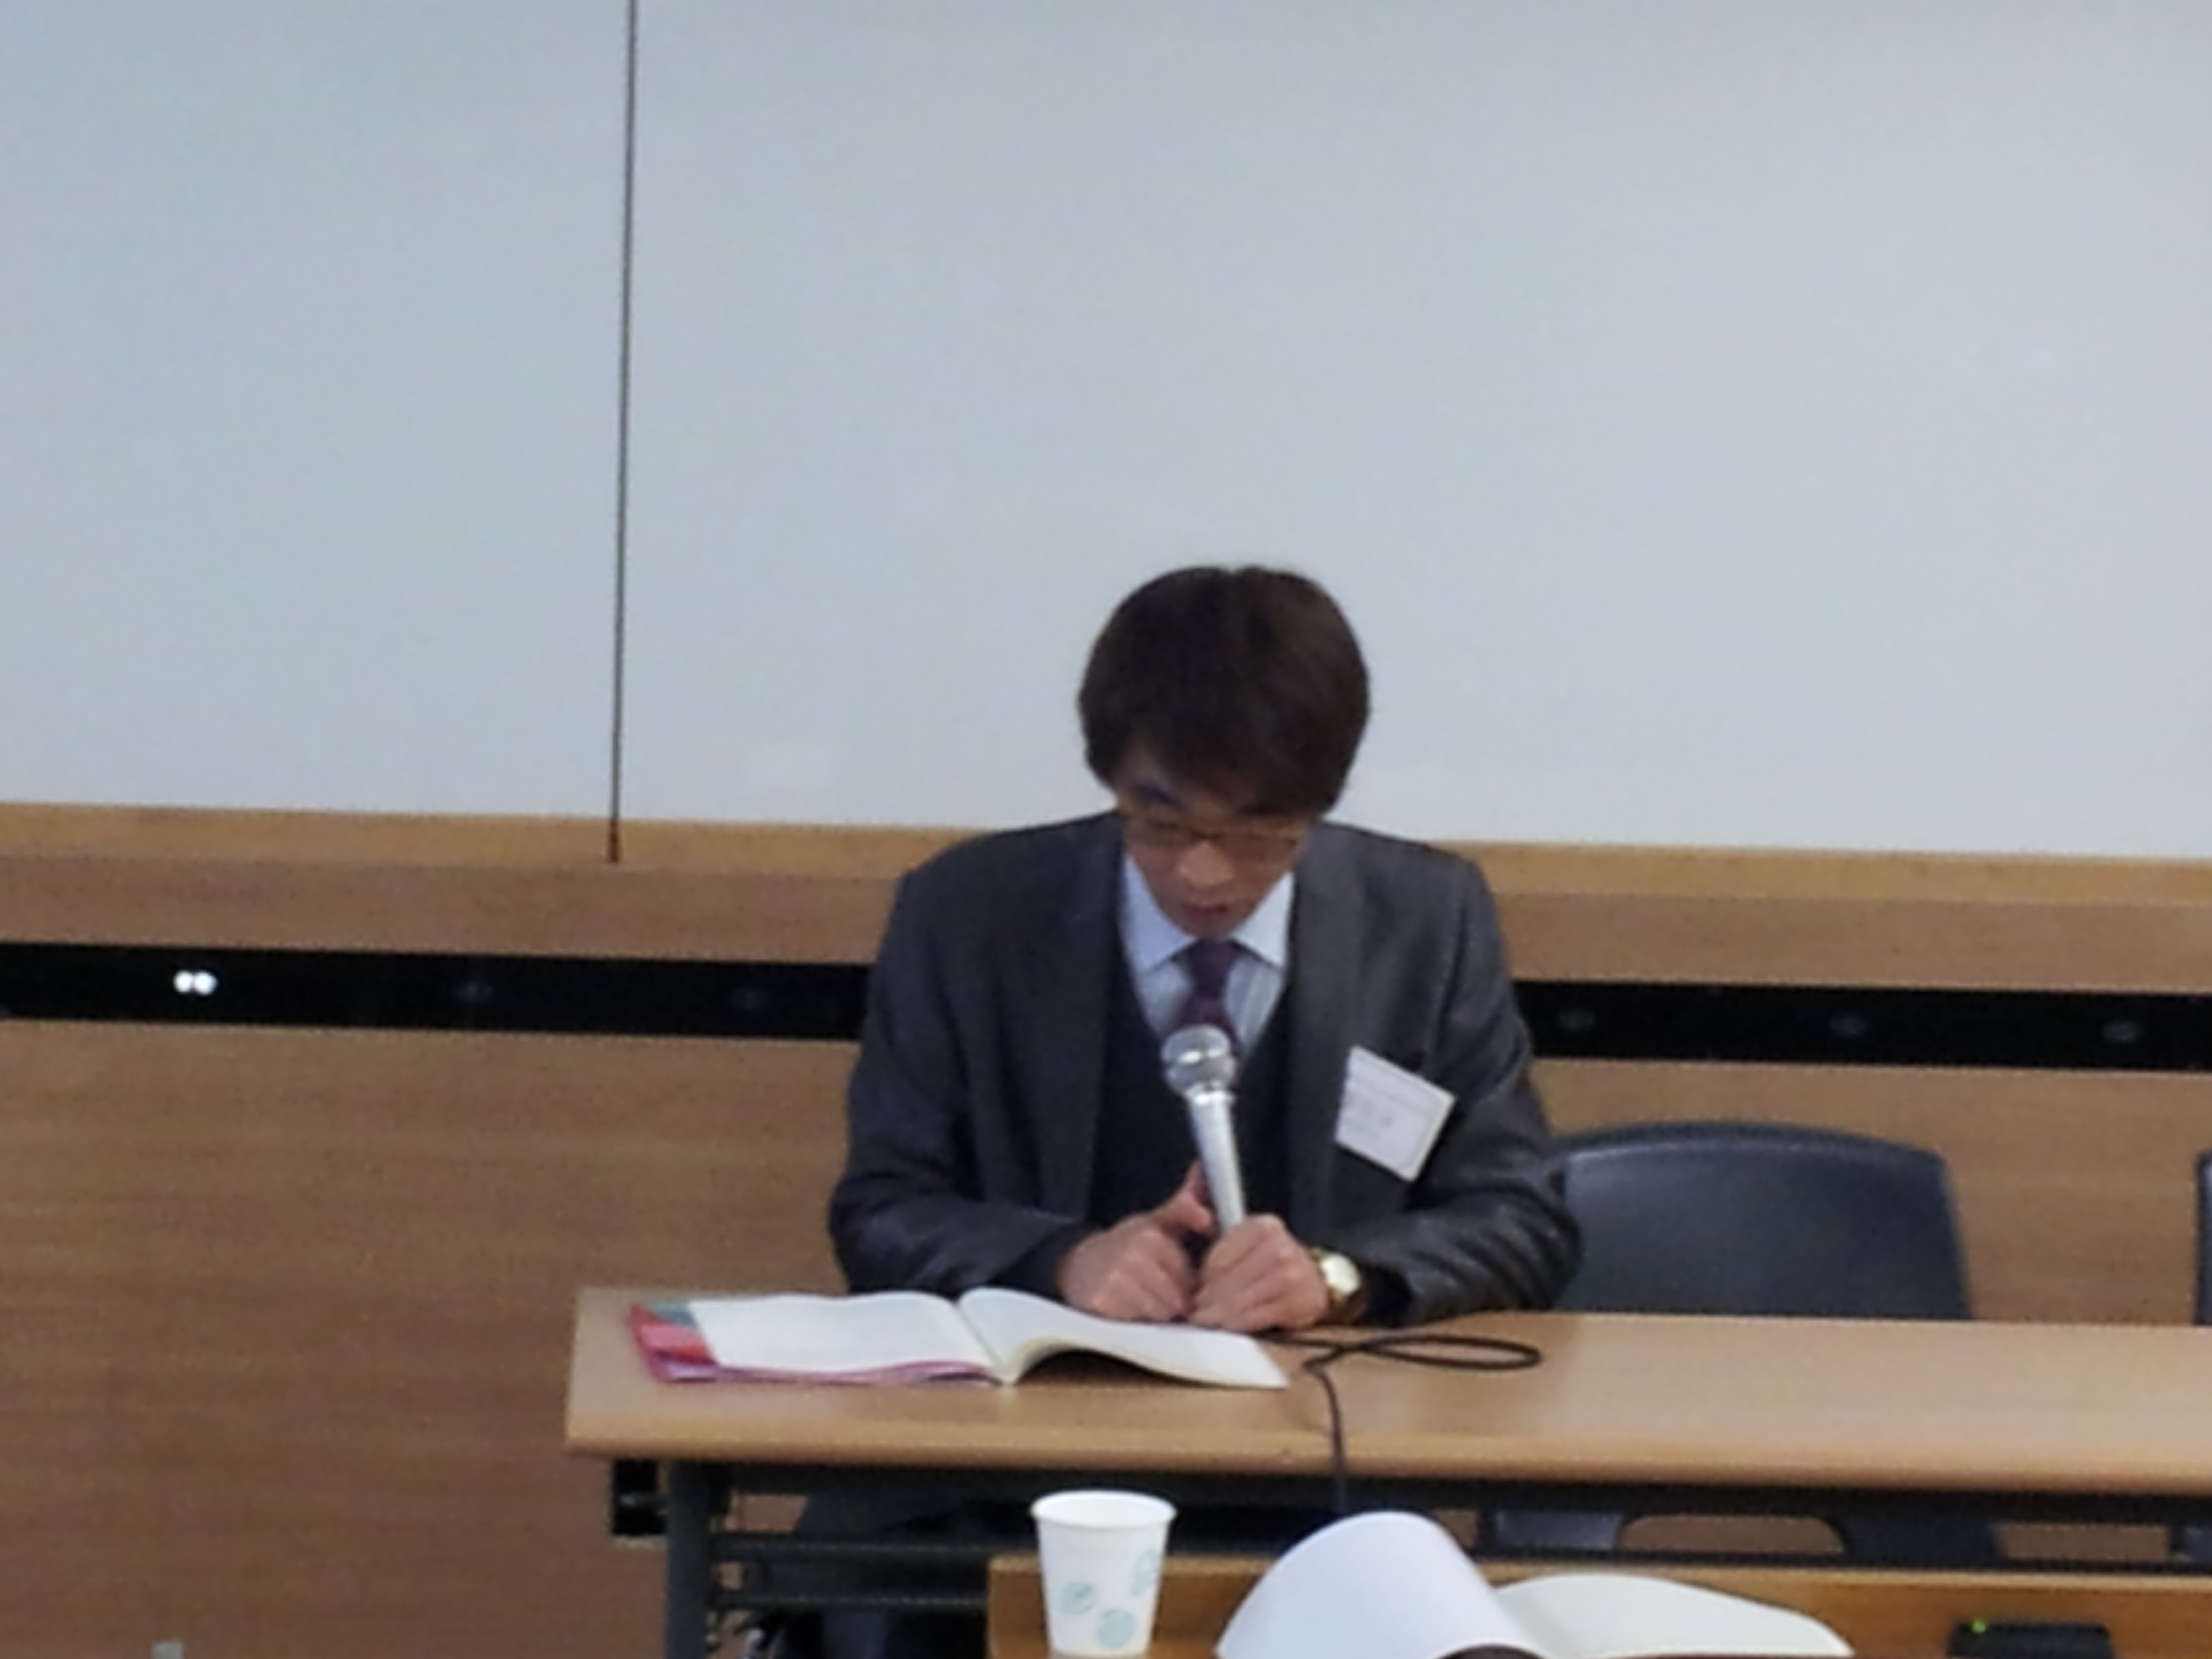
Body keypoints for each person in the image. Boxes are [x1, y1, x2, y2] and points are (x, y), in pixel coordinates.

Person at [769, 567, 1579, 1659]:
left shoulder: (1426, 923)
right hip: (991, 1487)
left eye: (1259, 833)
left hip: (1316, 1488)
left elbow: (1520, 1216)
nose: (1203, 873)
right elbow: (882, 1208)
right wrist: (1059, 1262)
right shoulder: (968, 914)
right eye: (1159, 824)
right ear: (1111, 782)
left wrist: (1337, 1278)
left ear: (1320, 807)